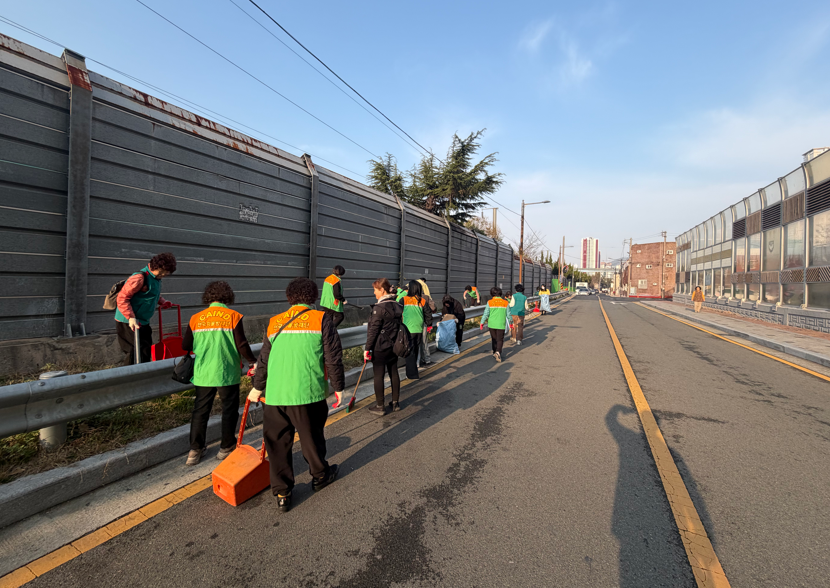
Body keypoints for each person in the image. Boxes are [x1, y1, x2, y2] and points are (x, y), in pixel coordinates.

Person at [249, 277, 345, 513]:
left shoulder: (274, 322)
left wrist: (257, 387)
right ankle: (320, 476)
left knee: (277, 444)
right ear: (313, 297)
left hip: (275, 394)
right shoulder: (322, 319)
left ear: (289, 297)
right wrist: (339, 387)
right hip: (306, 392)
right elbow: (333, 356)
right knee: (311, 438)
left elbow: (264, 359)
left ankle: (282, 492)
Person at [181, 281, 257, 466]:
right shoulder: (233, 316)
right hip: (226, 371)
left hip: (203, 372)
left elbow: (186, 346)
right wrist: (252, 361)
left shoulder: (196, 318)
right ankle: (226, 447)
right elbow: (241, 344)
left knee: (200, 410)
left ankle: (194, 450)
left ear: (208, 297)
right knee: (229, 409)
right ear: (228, 297)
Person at [115, 252, 177, 365]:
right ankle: (129, 377)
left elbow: (151, 294)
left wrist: (163, 302)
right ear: (157, 267)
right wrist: (131, 317)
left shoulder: (156, 278)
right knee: (134, 351)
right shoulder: (139, 278)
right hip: (129, 320)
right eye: (164, 272)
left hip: (142, 320)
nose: (165, 275)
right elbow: (122, 298)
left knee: (145, 349)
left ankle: (143, 374)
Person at [363, 278, 404, 415]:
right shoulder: (397, 305)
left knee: (378, 375)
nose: (374, 293)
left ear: (382, 290)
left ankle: (380, 406)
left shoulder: (379, 308)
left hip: (380, 346)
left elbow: (373, 330)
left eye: (375, 290)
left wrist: (367, 348)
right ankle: (395, 403)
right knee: (394, 372)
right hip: (394, 345)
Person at [401, 280, 433, 380]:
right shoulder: (422, 300)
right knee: (415, 349)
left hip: (407, 329)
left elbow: (397, 312)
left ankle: (411, 374)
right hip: (418, 329)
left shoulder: (404, 299)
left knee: (409, 351)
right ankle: (413, 371)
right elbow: (428, 314)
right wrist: (429, 325)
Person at [480, 287, 511, 362]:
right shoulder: (505, 302)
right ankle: (498, 352)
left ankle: (494, 352)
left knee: (494, 339)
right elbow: (509, 315)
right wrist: (511, 323)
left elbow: (486, 313)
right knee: (500, 339)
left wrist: (482, 322)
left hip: (492, 324)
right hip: (501, 324)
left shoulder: (489, 302)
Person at [416, 277, 437, 367]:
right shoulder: (425, 297)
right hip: (423, 322)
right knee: (424, 341)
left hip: (412, 324)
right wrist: (429, 323)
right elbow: (432, 309)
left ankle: (417, 362)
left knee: (415, 343)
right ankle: (427, 359)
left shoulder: (407, 299)